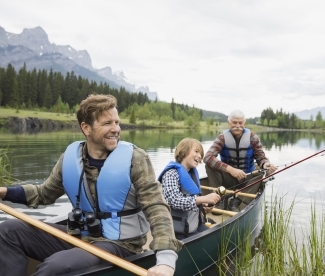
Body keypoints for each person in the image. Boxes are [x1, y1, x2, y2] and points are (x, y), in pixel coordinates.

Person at [0, 94, 183, 276]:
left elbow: (156, 207)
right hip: (81, 236)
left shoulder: (136, 159)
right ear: (86, 128)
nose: (115, 129)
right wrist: (4, 192)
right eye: (107, 123)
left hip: (121, 244)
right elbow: (43, 194)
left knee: (55, 266)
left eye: (117, 122)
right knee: (7, 231)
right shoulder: (71, 158)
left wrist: (166, 260)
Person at [203, 110, 277, 211]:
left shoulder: (253, 138)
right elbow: (207, 157)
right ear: (229, 123)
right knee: (209, 165)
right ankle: (219, 197)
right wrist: (231, 170)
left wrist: (266, 164)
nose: (237, 125)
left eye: (240, 123)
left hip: (247, 179)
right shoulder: (222, 138)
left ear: (244, 123)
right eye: (234, 122)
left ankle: (238, 198)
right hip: (228, 178)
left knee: (262, 172)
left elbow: (261, 158)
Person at [158, 138, 220, 239]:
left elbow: (192, 200)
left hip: (194, 226)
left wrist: (202, 205)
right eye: (196, 151)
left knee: (218, 238)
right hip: (177, 233)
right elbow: (173, 200)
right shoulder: (171, 173)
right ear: (183, 151)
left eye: (201, 154)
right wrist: (202, 199)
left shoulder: (191, 174)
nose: (199, 156)